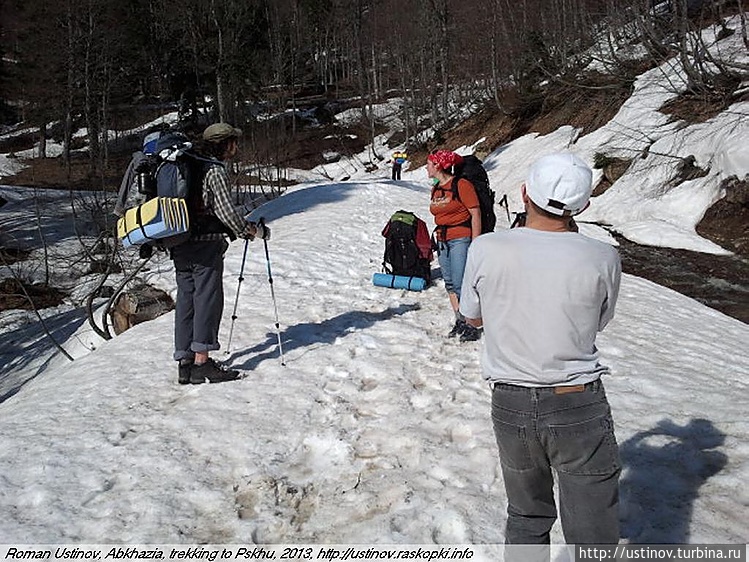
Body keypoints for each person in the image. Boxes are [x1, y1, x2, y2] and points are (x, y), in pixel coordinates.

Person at [459, 153, 622, 553]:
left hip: (511, 401)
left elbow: (472, 317)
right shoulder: (603, 256)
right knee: (592, 533)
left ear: (524, 193)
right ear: (582, 207)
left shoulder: (486, 248)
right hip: (577, 401)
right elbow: (599, 321)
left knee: (527, 515)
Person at [172, 122, 271, 385]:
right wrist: (251, 231)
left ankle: (185, 363)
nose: (236, 148)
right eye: (233, 142)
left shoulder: (189, 165)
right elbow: (226, 213)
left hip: (179, 242)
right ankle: (202, 362)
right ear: (223, 143)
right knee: (207, 299)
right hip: (205, 244)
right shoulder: (214, 171)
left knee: (186, 299)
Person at [427, 149, 482, 342]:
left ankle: (472, 324)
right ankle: (460, 319)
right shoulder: (436, 188)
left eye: (429, 164)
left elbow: (475, 213)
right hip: (442, 238)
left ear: (438, 165)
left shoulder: (461, 184)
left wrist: (476, 242)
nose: (426, 167)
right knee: (450, 283)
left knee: (461, 284)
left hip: (461, 237)